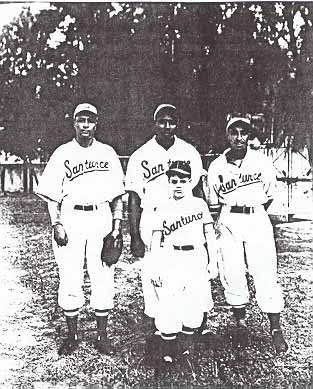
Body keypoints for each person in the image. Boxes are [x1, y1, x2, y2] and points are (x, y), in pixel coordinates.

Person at [36, 103, 125, 356]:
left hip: (100, 216)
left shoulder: (107, 153)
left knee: (103, 273)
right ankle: (72, 334)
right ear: (74, 123)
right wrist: (57, 223)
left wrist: (117, 227)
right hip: (71, 217)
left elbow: (117, 194)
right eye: (81, 120)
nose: (85, 125)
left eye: (90, 120)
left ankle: (101, 335)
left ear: (96, 124)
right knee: (70, 273)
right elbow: (53, 196)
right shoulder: (63, 153)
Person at [206, 116, 288, 354]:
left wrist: (255, 209)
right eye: (234, 132)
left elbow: (271, 193)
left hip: (256, 217)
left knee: (264, 270)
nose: (239, 137)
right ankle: (240, 324)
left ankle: (275, 328)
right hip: (229, 218)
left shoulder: (261, 161)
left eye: (244, 132)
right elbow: (213, 200)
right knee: (232, 271)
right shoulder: (217, 166)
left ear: (249, 135)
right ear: (227, 135)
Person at [125, 103, 206, 334]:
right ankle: (156, 328)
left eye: (171, 121)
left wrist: (202, 226)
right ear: (154, 123)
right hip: (153, 217)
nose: (167, 126)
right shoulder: (141, 155)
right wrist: (135, 237)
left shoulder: (189, 152)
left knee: (186, 269)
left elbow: (198, 191)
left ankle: (188, 326)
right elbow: (133, 198)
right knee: (154, 271)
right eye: (162, 121)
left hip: (184, 219)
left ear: (177, 124)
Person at [148, 160, 218, 364]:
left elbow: (209, 234)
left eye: (183, 181)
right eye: (174, 181)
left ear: (190, 182)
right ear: (168, 182)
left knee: (194, 303)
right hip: (171, 256)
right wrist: (155, 267)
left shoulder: (199, 204)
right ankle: (168, 353)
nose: (179, 185)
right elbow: (155, 240)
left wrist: (212, 262)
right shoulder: (163, 207)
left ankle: (184, 350)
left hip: (195, 256)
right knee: (169, 303)